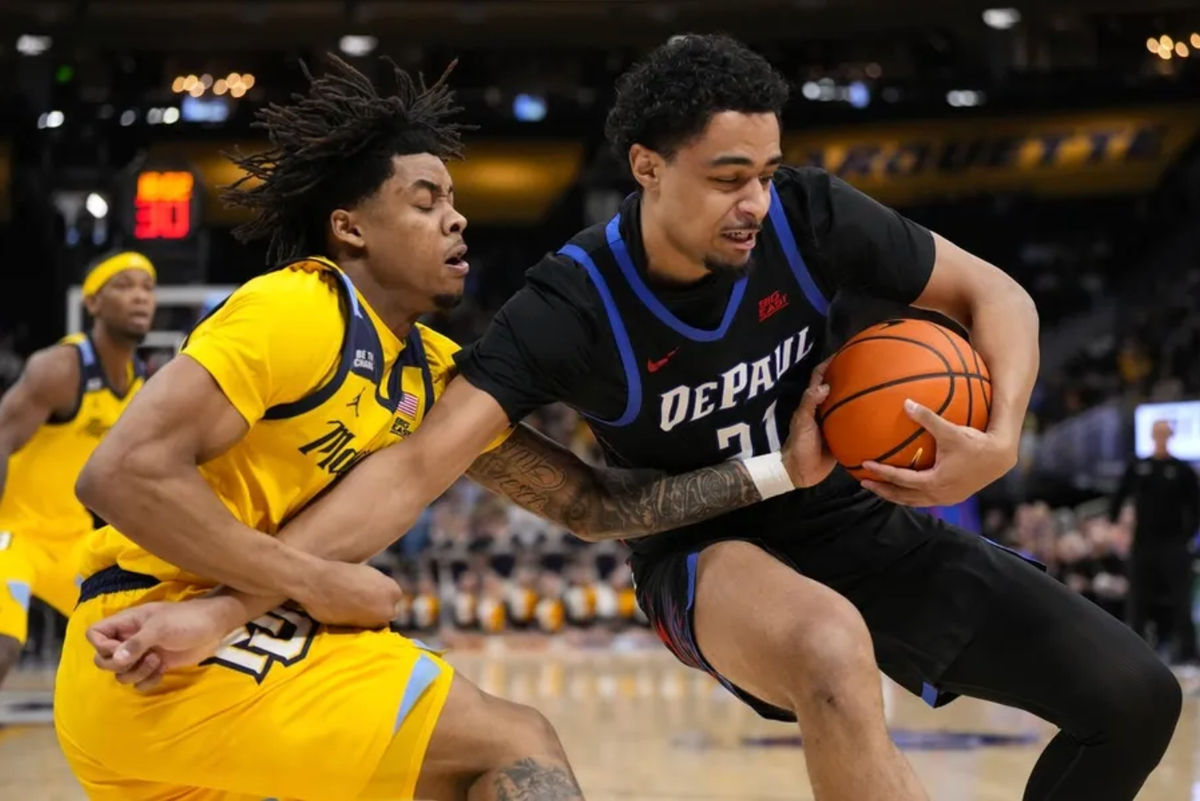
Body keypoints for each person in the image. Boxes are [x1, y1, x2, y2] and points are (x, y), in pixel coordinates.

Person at [93, 37, 1180, 801]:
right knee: (828, 647)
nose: (753, 200)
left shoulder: (808, 219)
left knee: (1133, 701)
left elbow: (1002, 299)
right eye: (725, 177)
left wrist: (995, 438)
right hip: (704, 555)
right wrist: (239, 606)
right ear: (648, 168)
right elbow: (418, 470)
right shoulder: (564, 305)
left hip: (844, 511)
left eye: (765, 171)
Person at [60, 54, 828, 801]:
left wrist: (781, 467)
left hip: (208, 659)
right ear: (350, 229)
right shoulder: (297, 307)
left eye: (454, 198)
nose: (457, 216)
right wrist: (315, 580)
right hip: (149, 636)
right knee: (513, 742)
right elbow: (119, 473)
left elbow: (593, 507)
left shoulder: (431, 372)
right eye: (425, 200)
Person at [0, 250, 155, 686]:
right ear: (92, 303)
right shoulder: (58, 368)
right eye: (124, 286)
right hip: (13, 534)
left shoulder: (142, 386)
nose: (140, 297)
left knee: (131, 635)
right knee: (4, 641)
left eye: (147, 287)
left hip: (71, 537)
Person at [1110, 418, 1200, 664]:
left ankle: (1188, 655)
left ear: (1170, 436)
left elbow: (1195, 506)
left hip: (1173, 544)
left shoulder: (1182, 470)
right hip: (1143, 543)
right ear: (1152, 435)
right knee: (1137, 601)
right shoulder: (1139, 466)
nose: (1161, 437)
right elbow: (1118, 498)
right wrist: (1116, 525)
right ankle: (1135, 655)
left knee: (1182, 600)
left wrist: (1187, 536)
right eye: (1157, 432)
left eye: (1165, 433)